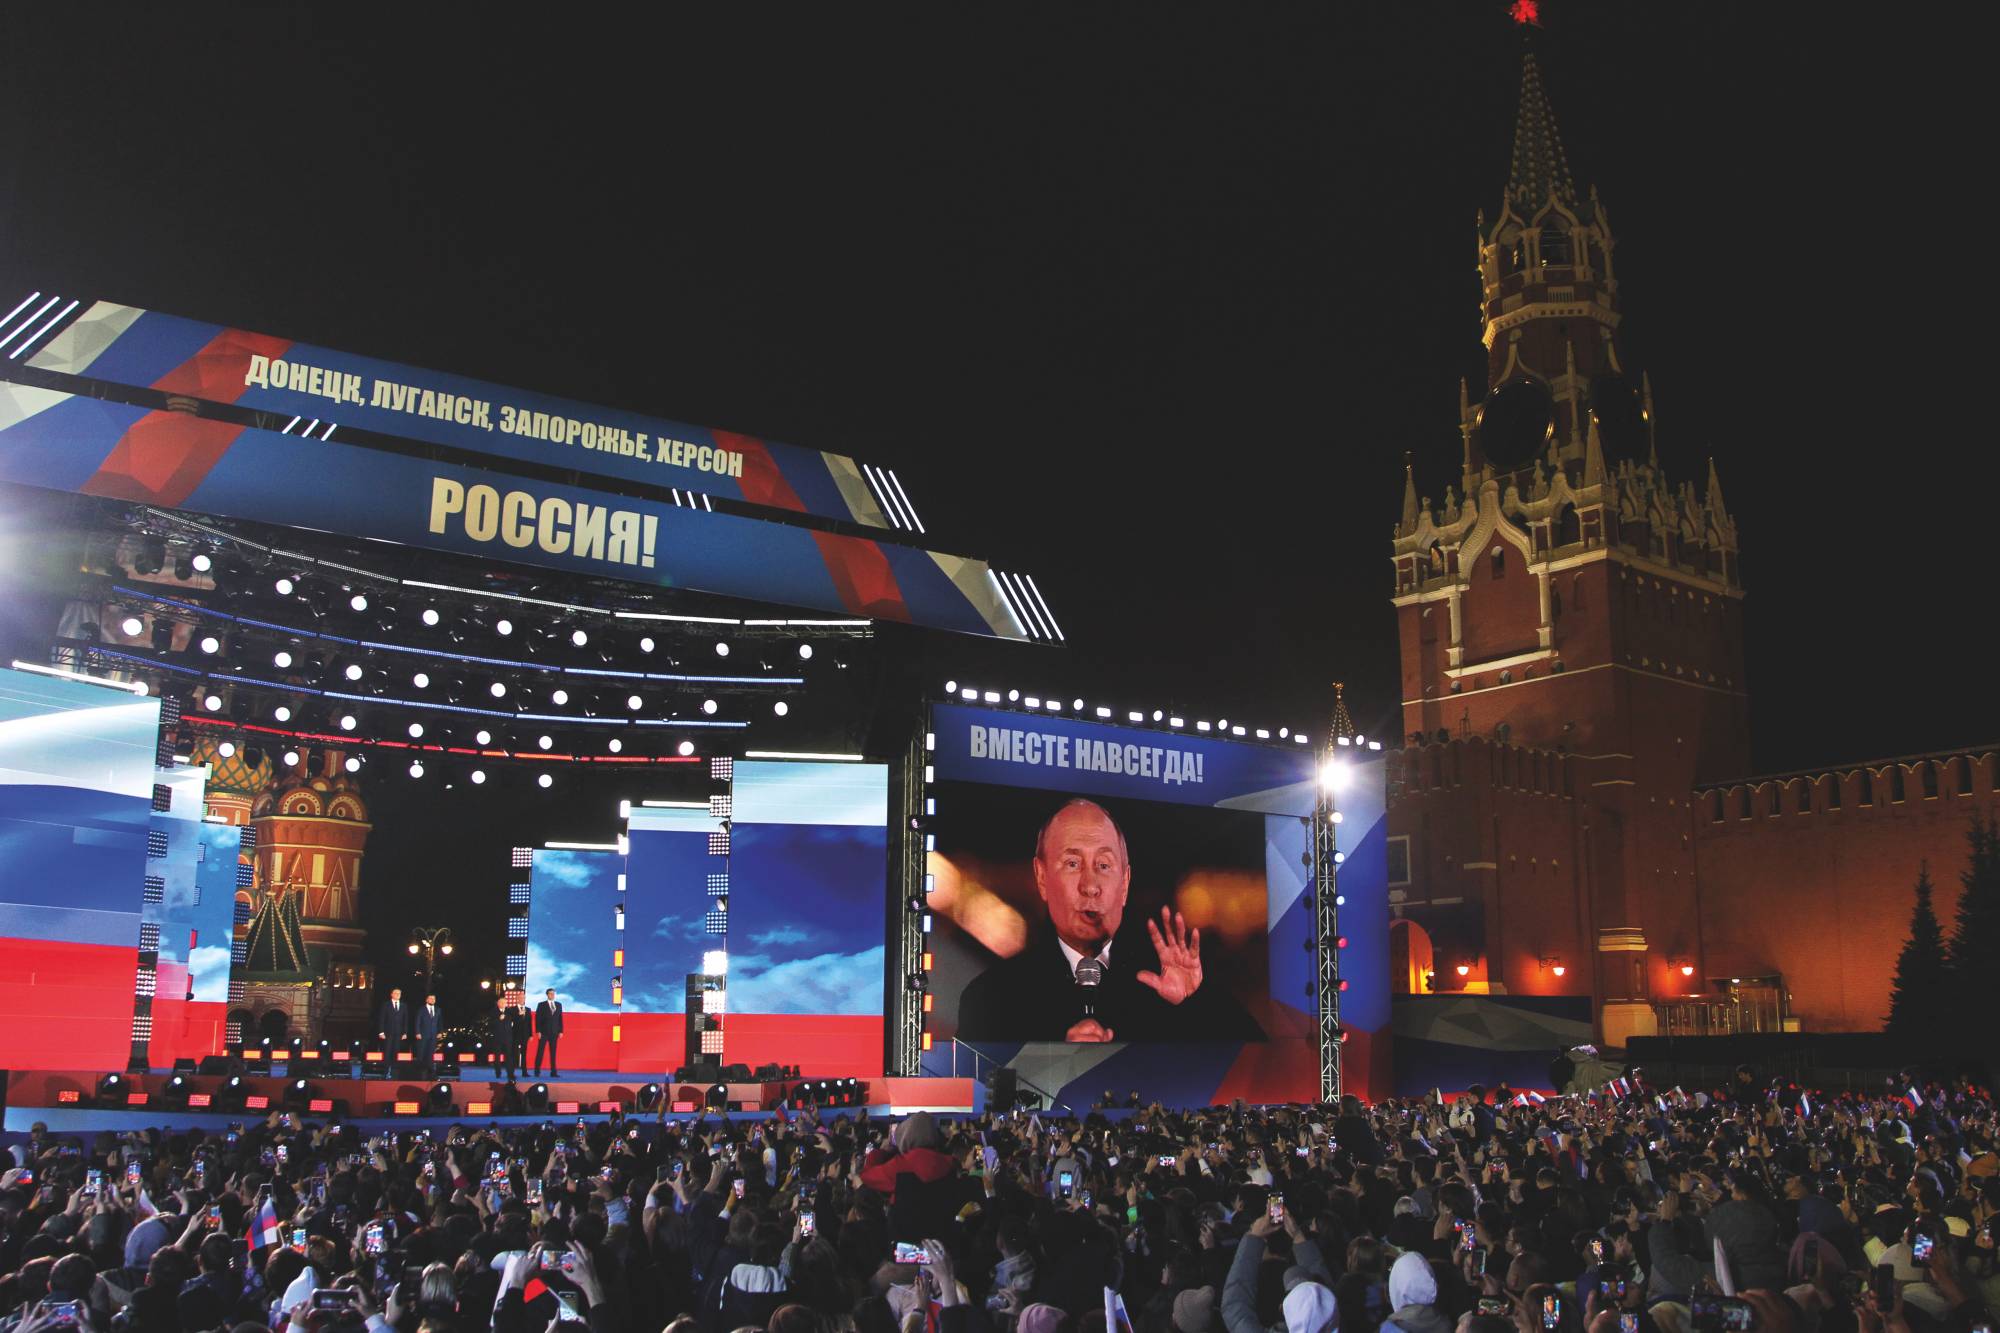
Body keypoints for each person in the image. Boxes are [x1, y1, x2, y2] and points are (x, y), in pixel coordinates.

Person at [955, 797, 1259, 1043]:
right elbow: (970, 1091)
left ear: (1125, 884)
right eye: (1073, 863)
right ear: (1042, 876)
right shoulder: (992, 998)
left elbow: (1262, 1074)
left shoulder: (1165, 984)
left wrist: (1196, 1002)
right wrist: (1053, 1059)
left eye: (1103, 865)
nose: (1090, 885)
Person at [533, 987, 565, 1076]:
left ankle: (553, 1072)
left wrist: (561, 1031)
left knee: (553, 1053)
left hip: (554, 1032)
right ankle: (537, 1071)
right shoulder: (541, 1005)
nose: (552, 995)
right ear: (547, 995)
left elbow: (560, 1018)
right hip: (543, 1032)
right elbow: (537, 1019)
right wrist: (538, 1031)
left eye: (553, 994)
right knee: (540, 1052)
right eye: (550, 994)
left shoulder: (558, 1005)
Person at [375, 987, 409, 1053]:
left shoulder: (404, 1005)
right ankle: (386, 1063)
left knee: (396, 1051)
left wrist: (405, 1032)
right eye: (396, 993)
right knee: (387, 1050)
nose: (397, 995)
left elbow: (405, 1020)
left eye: (399, 993)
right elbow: (382, 1019)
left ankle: (395, 1063)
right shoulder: (386, 1005)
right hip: (387, 1032)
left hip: (399, 1032)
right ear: (391, 994)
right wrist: (381, 1032)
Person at [414, 993, 442, 1068]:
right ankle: (420, 1069)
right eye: (431, 998)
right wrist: (417, 1032)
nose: (432, 1000)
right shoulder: (421, 1009)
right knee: (421, 1052)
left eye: (434, 999)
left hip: (433, 1034)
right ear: (426, 1000)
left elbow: (439, 1022)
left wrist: (440, 1032)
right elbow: (418, 1021)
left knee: (431, 1053)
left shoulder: (438, 1009)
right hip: (423, 1034)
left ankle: (429, 1070)